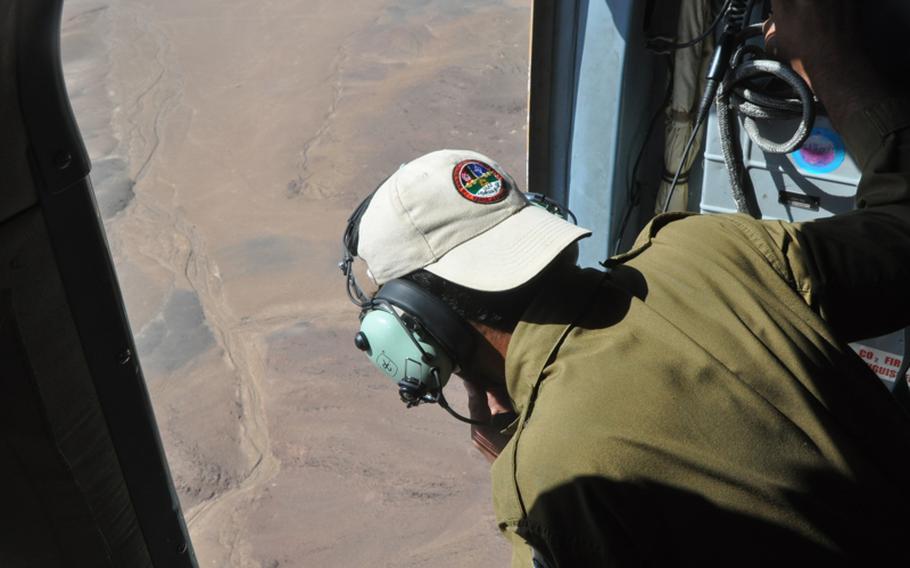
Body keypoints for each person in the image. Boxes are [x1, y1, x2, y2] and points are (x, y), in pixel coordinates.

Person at [344, 1, 910, 564]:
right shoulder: (710, 251)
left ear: (412, 327)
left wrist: (521, 474)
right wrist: (831, 55)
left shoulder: (549, 484)